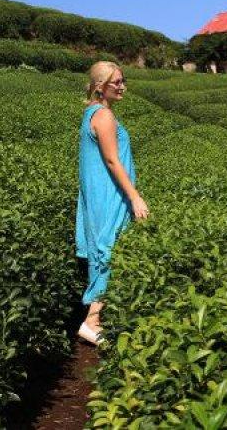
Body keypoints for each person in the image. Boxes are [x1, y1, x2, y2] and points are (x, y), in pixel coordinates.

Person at [76, 61, 149, 345]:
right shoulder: (103, 116)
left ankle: (97, 319)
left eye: (122, 80)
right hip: (109, 194)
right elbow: (111, 160)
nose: (121, 86)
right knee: (109, 250)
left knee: (106, 248)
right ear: (99, 87)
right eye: (115, 82)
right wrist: (134, 196)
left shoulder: (92, 113)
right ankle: (92, 321)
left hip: (102, 193)